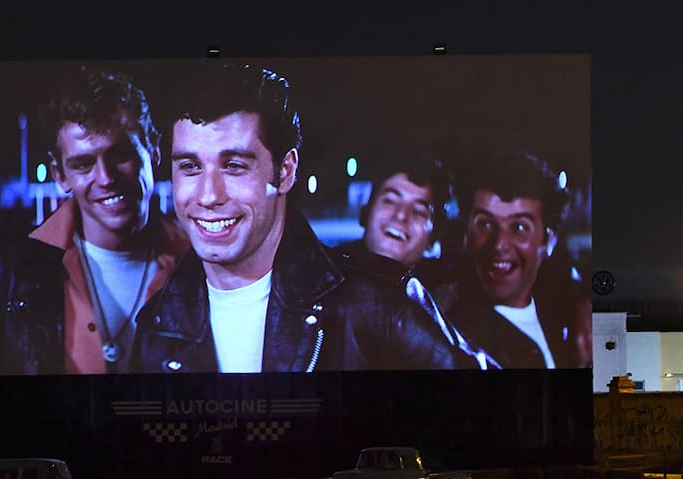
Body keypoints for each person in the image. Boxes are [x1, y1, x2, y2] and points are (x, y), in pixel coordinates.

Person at [132, 64, 465, 373]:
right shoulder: (156, 328)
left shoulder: (379, 302)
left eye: (234, 166)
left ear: (286, 172)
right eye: (190, 167)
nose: (207, 195)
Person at [8, 65, 188, 373]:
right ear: (59, 175)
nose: (106, 178)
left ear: (154, 148)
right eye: (83, 164)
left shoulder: (198, 264)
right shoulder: (13, 273)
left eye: (121, 155)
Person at [334, 154, 499, 369]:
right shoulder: (320, 278)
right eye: (390, 201)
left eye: (419, 211)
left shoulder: (453, 302)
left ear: (433, 236)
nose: (401, 216)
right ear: (366, 212)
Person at [442, 150, 592, 369]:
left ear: (548, 241)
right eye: (484, 224)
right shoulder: (451, 334)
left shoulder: (560, 305)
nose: (499, 244)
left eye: (519, 227)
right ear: (466, 234)